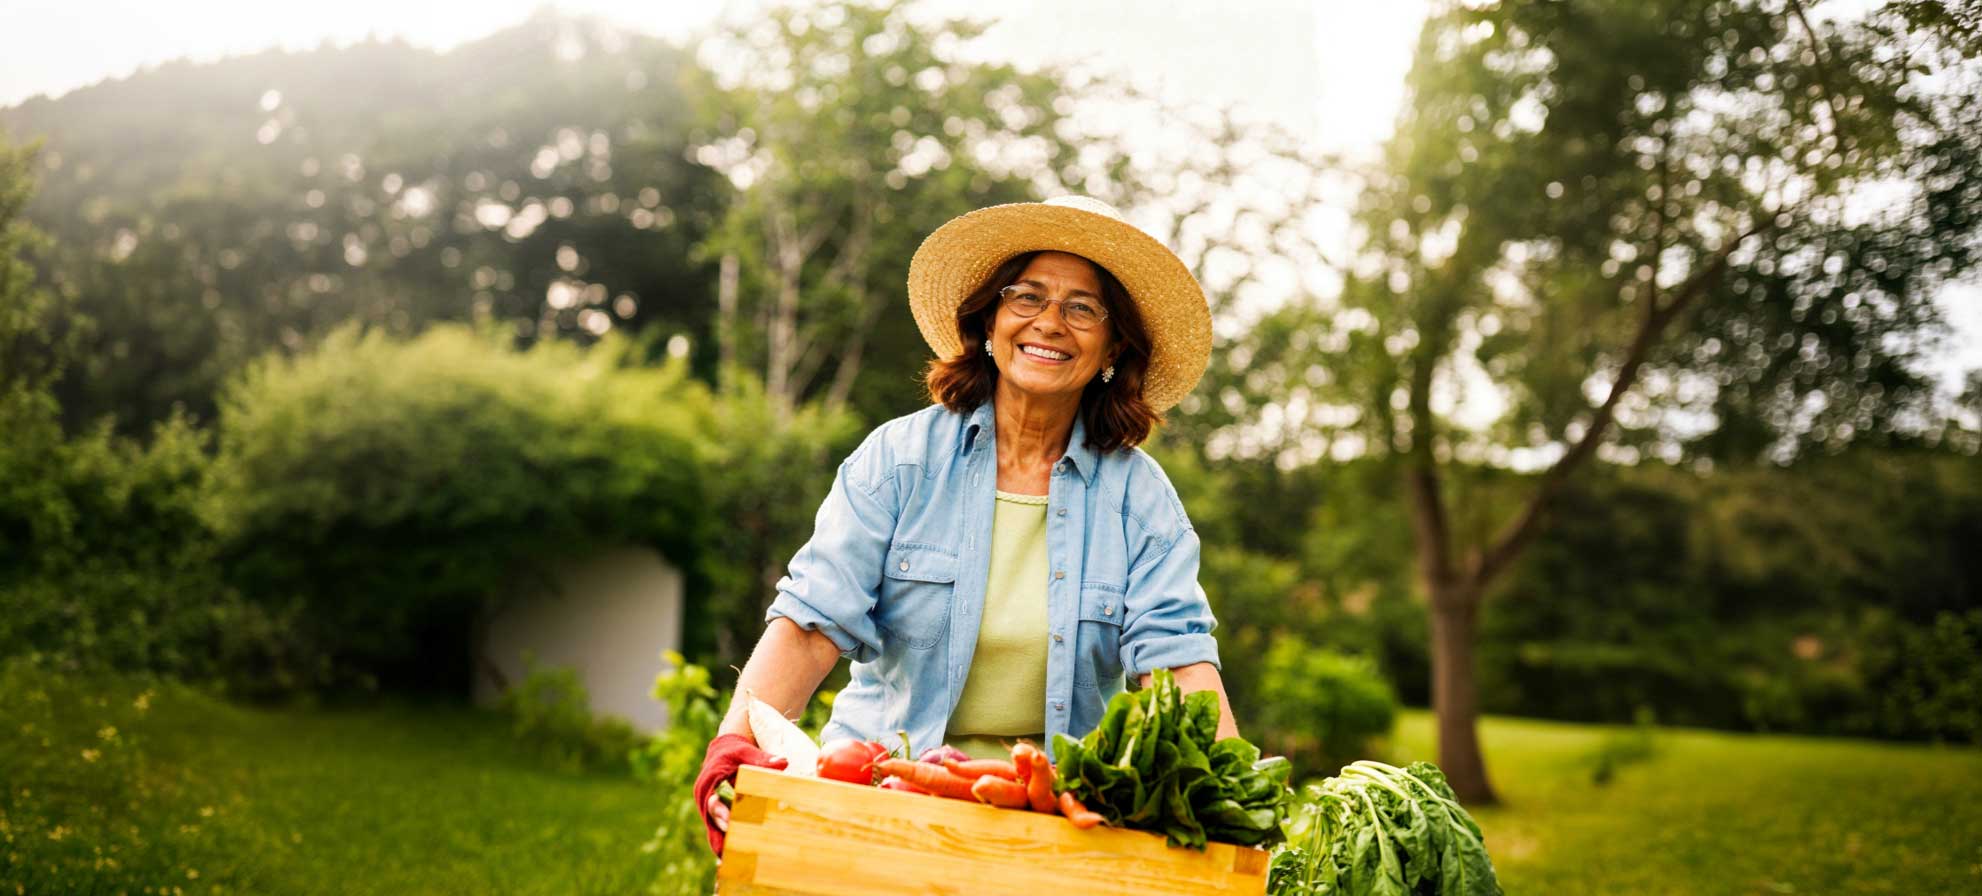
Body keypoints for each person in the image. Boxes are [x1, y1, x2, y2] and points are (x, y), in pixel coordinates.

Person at [694, 195, 1236, 855]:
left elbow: (1176, 668)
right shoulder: (898, 463)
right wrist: (734, 745)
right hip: (881, 783)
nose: (1050, 323)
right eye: (1027, 297)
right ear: (989, 319)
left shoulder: (1143, 501)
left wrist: (1230, 806)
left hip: (1058, 814)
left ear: (1113, 347)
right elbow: (811, 627)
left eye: (1083, 308)